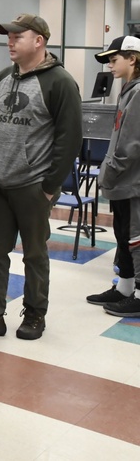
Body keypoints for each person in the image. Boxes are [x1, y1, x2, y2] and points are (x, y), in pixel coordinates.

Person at [0, 14, 81, 341]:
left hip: (33, 185)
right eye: (8, 36)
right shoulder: (2, 77)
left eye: (17, 36)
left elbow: (69, 140)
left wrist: (49, 187)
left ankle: (35, 314)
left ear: (39, 40)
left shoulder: (60, 82)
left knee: (35, 254)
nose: (10, 42)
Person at [88, 36, 140, 316]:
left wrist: (111, 172)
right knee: (123, 235)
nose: (109, 65)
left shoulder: (139, 92)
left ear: (132, 58)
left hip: (131, 182)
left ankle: (139, 293)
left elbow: (132, 145)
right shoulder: (128, 90)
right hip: (122, 180)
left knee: (136, 237)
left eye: (114, 59)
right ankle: (124, 288)